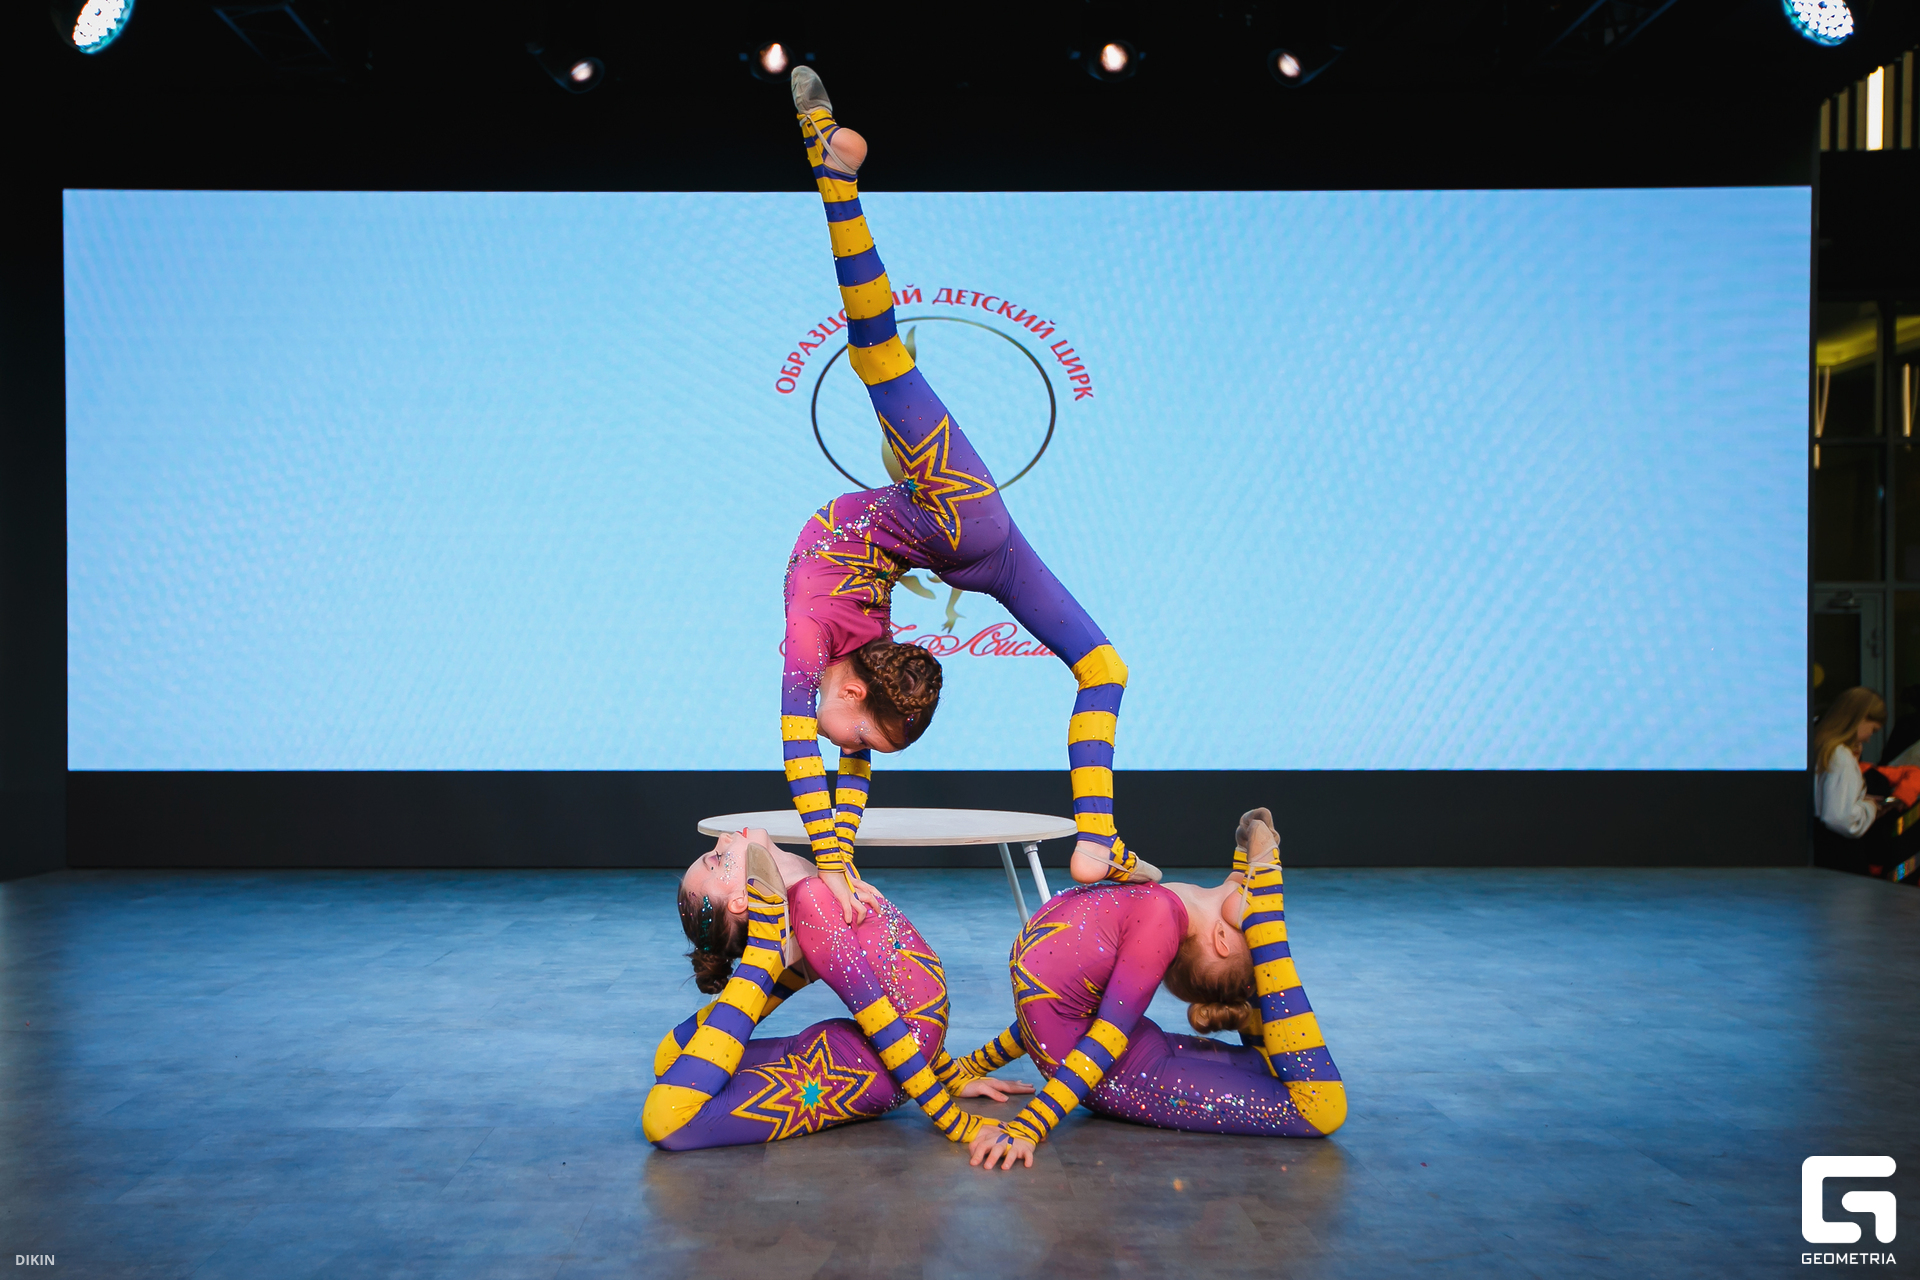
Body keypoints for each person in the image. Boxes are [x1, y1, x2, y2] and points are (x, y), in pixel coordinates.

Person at [778, 65, 1159, 931]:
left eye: (862, 741)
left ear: (852, 694)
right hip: (970, 535)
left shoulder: (818, 645)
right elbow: (833, 747)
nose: (852, 753)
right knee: (1103, 668)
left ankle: (835, 180)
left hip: (957, 525)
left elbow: (812, 748)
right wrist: (837, 859)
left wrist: (835, 864)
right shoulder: (857, 657)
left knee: (877, 353)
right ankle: (1097, 837)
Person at [956, 810, 1348, 1170]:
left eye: (1253, 935)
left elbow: (1064, 1020)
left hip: (1132, 1061)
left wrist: (1017, 1113)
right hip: (1128, 1073)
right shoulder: (1156, 908)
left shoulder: (1157, 911)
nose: (1253, 902)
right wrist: (984, 1083)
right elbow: (1061, 1018)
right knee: (1317, 1104)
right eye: (1256, 937)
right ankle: (1267, 941)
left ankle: (1270, 941)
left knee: (1283, 1075)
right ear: (1221, 940)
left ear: (1221, 940)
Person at [643, 828, 1033, 1150]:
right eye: (716, 860)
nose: (724, 839)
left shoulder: (816, 892)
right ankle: (763, 957)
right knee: (669, 1057)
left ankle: (765, 956)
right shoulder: (809, 900)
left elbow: (898, 1008)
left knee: (668, 1117)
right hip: (870, 1052)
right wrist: (956, 1119)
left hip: (872, 1068)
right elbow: (890, 1017)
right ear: (742, 901)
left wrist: (952, 1079)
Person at [1812, 686, 1920, 881]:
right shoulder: (1841, 757)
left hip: (1819, 849)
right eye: (1872, 729)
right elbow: (1840, 818)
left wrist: (1859, 800)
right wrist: (1870, 807)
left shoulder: (1819, 749)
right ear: (1860, 718)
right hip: (1841, 856)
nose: (1869, 739)